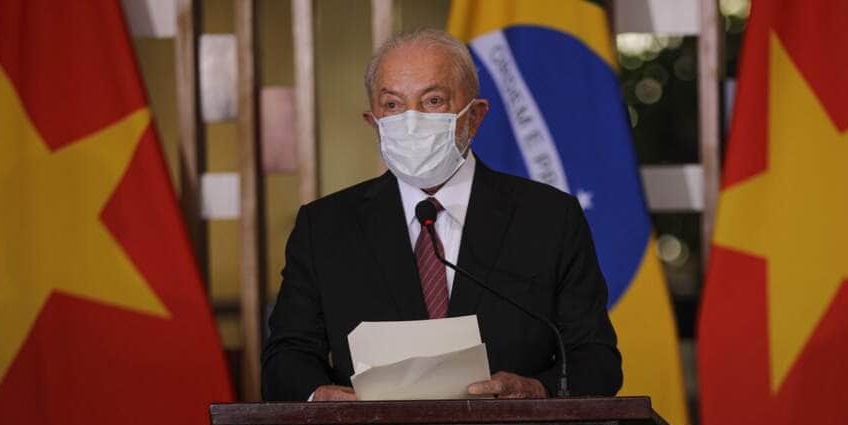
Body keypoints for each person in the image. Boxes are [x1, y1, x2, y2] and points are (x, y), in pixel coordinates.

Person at [262, 29, 621, 401]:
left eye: (433, 100)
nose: (411, 120)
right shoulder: (324, 228)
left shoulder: (549, 219)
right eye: (392, 105)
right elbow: (286, 357)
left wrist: (538, 390)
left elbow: (596, 360)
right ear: (374, 122)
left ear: (475, 116)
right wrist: (318, 395)